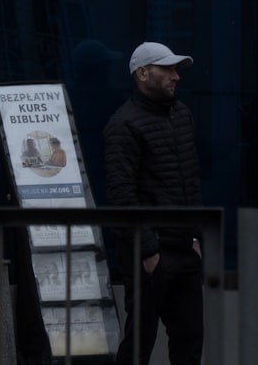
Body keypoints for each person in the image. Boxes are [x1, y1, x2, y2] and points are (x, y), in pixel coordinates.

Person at [104, 41, 203, 365]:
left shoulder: (182, 115)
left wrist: (195, 237)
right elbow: (121, 196)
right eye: (168, 69)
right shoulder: (123, 124)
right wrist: (148, 250)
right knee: (138, 344)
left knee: (189, 341)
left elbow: (190, 180)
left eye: (177, 69)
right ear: (142, 73)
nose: (176, 76)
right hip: (151, 254)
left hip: (184, 249)